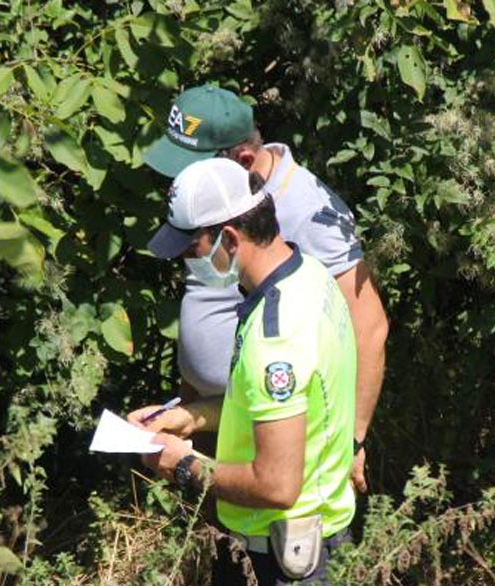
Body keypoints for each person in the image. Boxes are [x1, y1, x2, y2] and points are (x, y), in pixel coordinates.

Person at [129, 158, 357, 586]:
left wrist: (181, 465)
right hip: (315, 541)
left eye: (193, 248)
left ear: (231, 239)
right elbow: (286, 408)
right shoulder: (309, 276)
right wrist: (189, 419)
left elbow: (276, 485)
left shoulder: (275, 337)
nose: (184, 265)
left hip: (285, 568)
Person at [143, 85, 388, 493]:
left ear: (242, 161)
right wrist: (187, 411)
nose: (180, 181)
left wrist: (352, 439)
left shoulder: (308, 213)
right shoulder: (209, 201)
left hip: (274, 429)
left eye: (193, 167)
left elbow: (369, 326)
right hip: (220, 416)